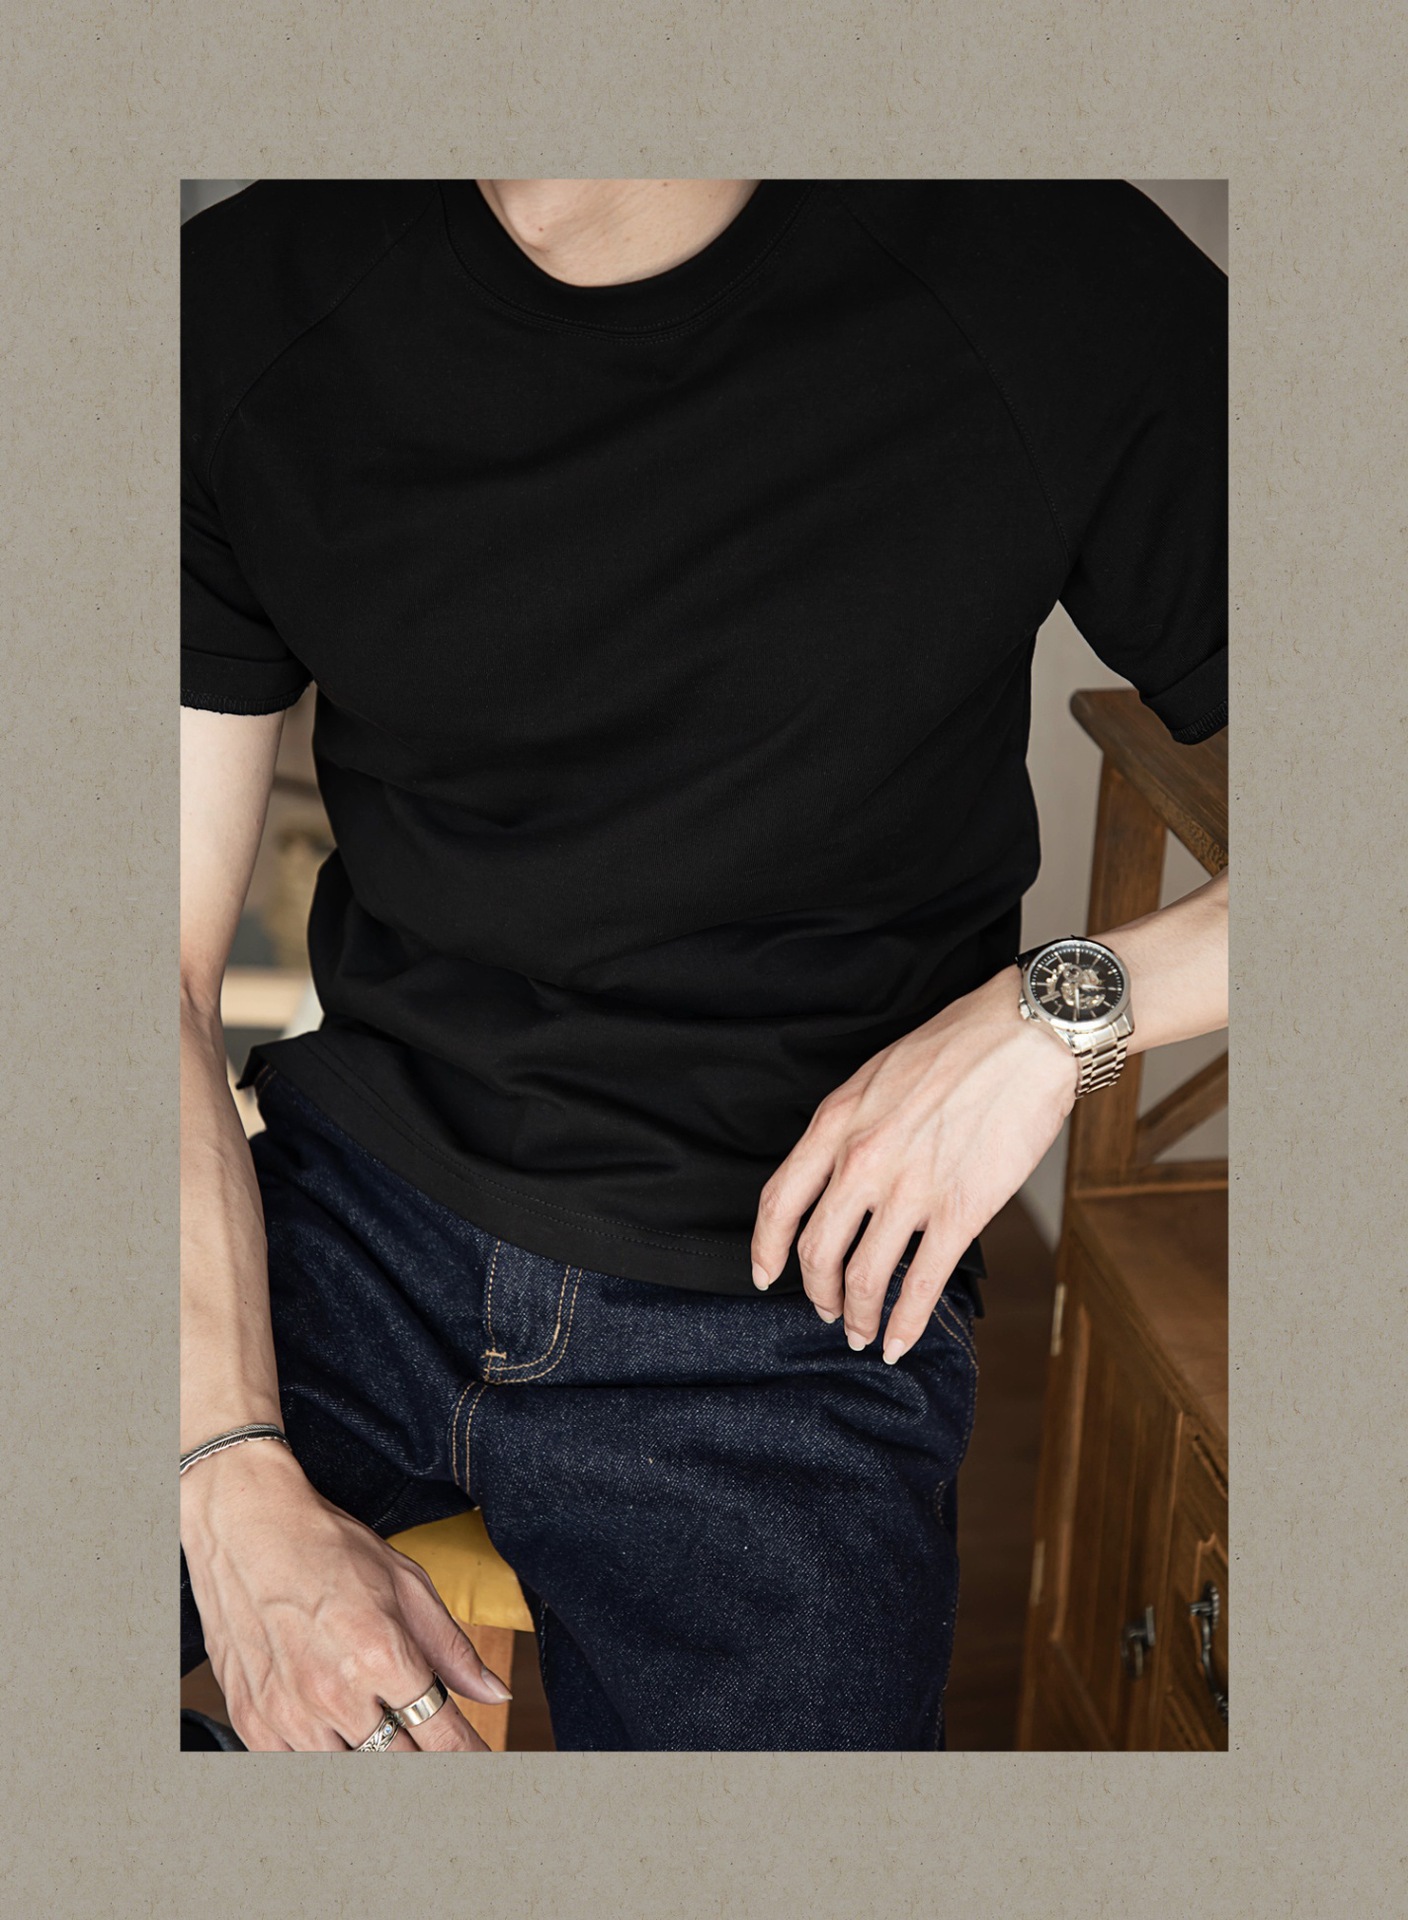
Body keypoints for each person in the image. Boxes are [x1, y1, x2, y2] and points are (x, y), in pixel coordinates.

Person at [179, 177, 1229, 1752]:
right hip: (346, 1223)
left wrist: (1052, 1017)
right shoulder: (238, 299)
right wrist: (224, 1466)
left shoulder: (1046, 264)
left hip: (799, 1294)